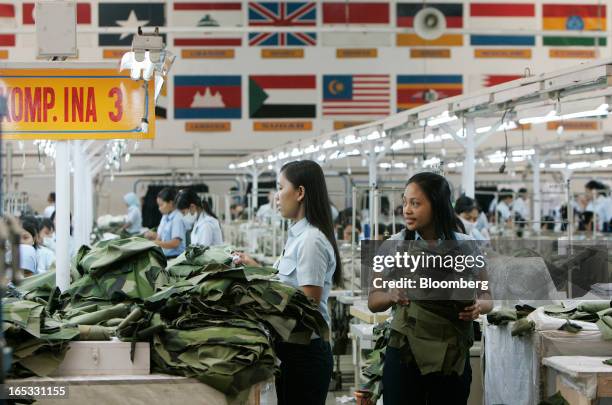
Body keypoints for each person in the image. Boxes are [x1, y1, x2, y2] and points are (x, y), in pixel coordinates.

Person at [367, 172, 492, 405]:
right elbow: (374, 300)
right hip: (406, 354)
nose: (407, 210)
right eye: (405, 202)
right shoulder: (393, 246)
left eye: (415, 203)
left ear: (437, 205)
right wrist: (391, 295)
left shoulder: (466, 246)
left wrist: (478, 307)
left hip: (450, 354)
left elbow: (487, 296)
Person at [234, 160, 341, 405]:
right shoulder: (297, 235)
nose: (276, 197)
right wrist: (258, 271)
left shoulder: (311, 240)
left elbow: (307, 303)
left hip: (305, 353)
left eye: (281, 188)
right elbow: (288, 284)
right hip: (292, 350)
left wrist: (257, 295)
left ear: (300, 192)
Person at [144, 188, 186, 259]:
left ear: (171, 203)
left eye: (161, 205)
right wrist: (152, 236)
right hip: (165, 255)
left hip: (175, 258)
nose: (159, 208)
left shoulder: (177, 218)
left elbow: (175, 243)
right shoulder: (165, 216)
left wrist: (154, 243)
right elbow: (162, 237)